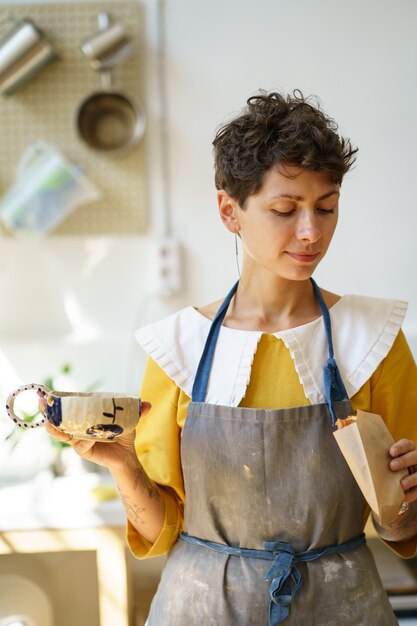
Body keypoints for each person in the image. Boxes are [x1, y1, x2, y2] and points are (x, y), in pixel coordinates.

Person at [46, 90, 417, 625]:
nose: (311, 232)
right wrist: (125, 466)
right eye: (285, 210)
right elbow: (161, 528)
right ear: (229, 211)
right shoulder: (178, 346)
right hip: (200, 609)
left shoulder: (374, 339)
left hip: (342, 607)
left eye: (327, 206)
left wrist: (404, 506)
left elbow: (401, 527)